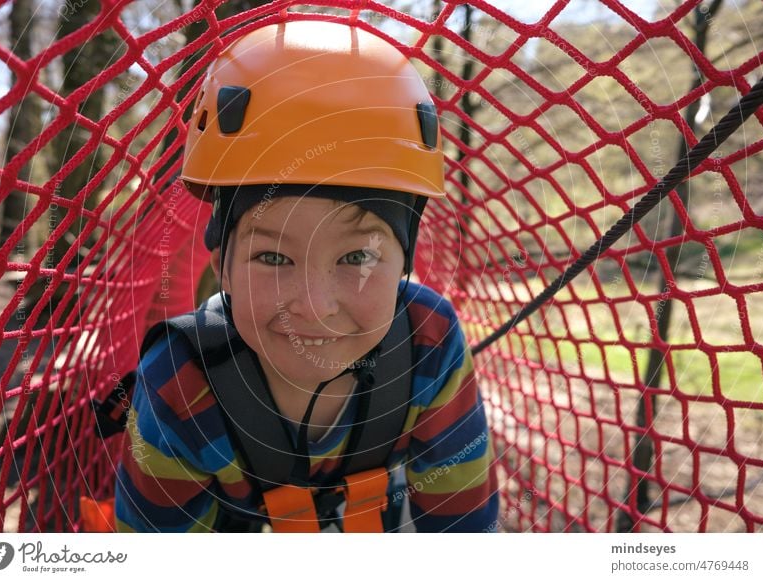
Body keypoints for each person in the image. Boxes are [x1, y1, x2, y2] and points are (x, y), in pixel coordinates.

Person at [114, 19, 499, 533]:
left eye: (357, 258)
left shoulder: (428, 343)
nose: (315, 307)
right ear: (221, 262)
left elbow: (462, 533)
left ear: (404, 262)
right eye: (273, 258)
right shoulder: (180, 386)